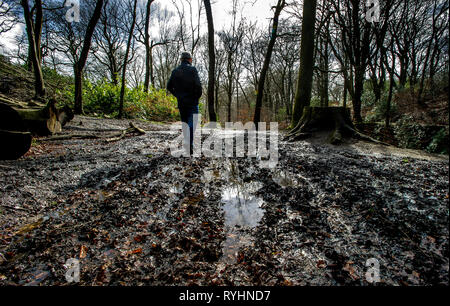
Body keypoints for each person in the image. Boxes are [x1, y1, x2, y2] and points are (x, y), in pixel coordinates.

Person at [167, 52, 202, 156]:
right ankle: (188, 144)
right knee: (192, 123)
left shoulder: (175, 71)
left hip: (181, 102)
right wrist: (196, 97)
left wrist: (177, 95)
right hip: (192, 102)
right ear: (189, 59)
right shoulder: (193, 69)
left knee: (185, 123)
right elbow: (198, 86)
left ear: (181, 60)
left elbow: (169, 86)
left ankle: (187, 144)